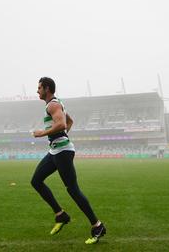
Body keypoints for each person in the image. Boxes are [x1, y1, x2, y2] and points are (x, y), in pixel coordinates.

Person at [30, 77, 106, 245]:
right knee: (36, 181)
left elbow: (63, 123)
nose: (37, 91)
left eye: (39, 88)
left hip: (62, 152)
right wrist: (60, 137)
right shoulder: (55, 104)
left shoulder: (53, 105)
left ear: (47, 89)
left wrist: (42, 133)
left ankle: (97, 225)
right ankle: (60, 214)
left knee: (72, 189)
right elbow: (70, 121)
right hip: (56, 150)